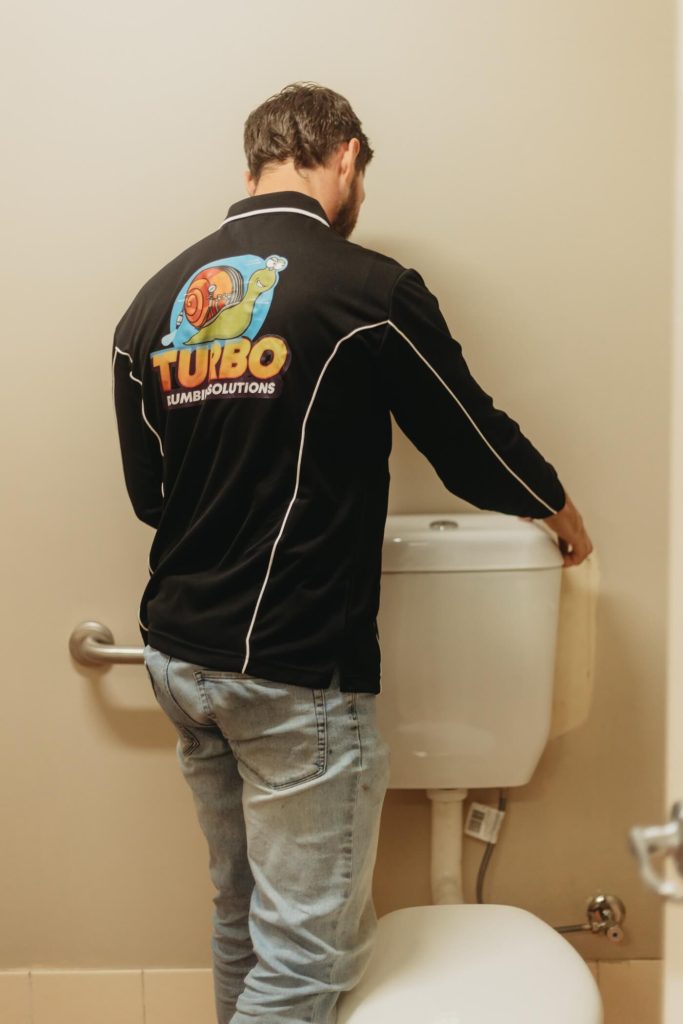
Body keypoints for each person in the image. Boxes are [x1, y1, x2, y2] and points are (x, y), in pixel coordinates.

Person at [112, 82, 593, 1024]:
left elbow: (148, 496)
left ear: (252, 163)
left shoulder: (150, 307)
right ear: (345, 156)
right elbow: (466, 438)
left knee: (243, 922)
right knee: (303, 963)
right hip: (293, 674)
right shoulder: (366, 290)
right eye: (360, 171)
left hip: (179, 659)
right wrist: (554, 507)